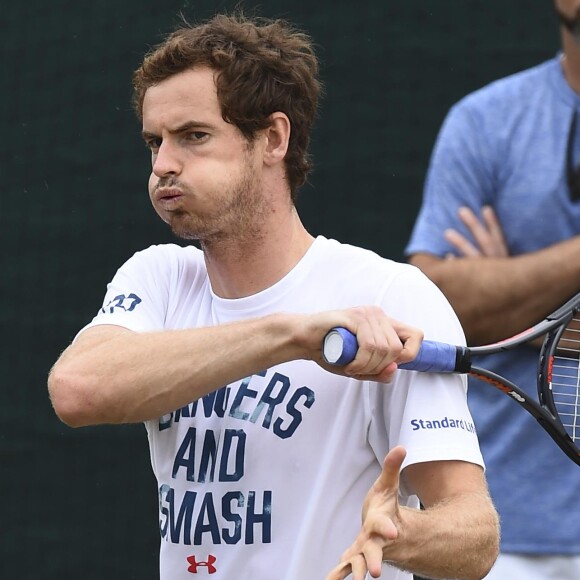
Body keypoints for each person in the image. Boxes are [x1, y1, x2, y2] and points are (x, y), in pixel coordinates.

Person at [48, 13, 498, 580]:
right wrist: (291, 334)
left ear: (273, 139)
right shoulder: (157, 278)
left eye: (194, 136)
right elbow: (77, 390)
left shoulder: (393, 293)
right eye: (154, 142)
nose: (163, 164)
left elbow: (475, 535)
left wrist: (402, 533)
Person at [405, 1, 580, 578]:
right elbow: (442, 307)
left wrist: (517, 296)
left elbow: (488, 311)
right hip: (504, 536)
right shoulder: (485, 120)